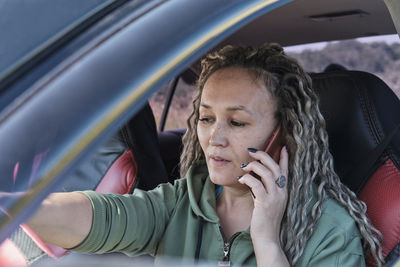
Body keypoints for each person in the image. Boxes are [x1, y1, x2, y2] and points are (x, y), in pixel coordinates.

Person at [27, 43, 383, 266]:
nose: (215, 137)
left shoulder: (330, 230)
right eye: (206, 118)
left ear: (283, 132)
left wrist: (268, 242)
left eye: (238, 122)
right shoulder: (183, 200)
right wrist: (16, 209)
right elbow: (104, 218)